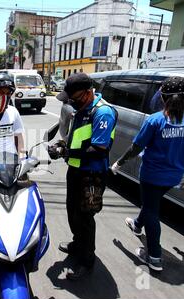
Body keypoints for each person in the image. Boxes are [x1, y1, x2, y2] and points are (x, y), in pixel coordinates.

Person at [110, 76, 184, 272]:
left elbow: (136, 147)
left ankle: (154, 257)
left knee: (152, 210)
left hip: (152, 176)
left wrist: (119, 162)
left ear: (162, 97)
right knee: (152, 203)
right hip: (175, 176)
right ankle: (136, 224)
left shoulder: (156, 120)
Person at [48, 73, 118, 280]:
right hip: (76, 170)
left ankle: (87, 261)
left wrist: (66, 153)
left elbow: (98, 148)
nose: (70, 102)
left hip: (92, 174)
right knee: (73, 210)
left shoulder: (102, 112)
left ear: (88, 92)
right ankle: (78, 244)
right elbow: (77, 138)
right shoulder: (82, 108)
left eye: (74, 97)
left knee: (85, 217)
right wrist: (62, 145)